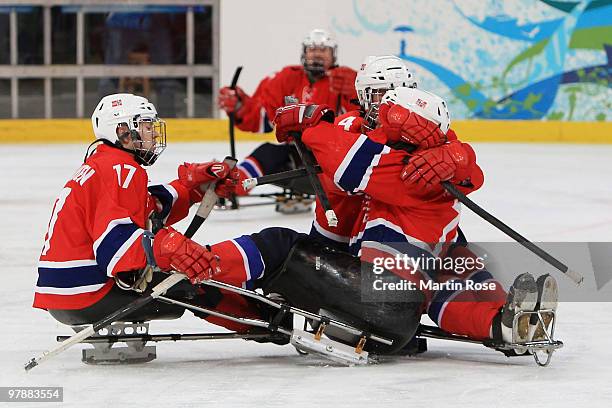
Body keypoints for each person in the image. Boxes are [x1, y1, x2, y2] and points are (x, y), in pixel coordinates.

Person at [34, 93, 260, 333]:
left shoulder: (103, 164)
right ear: (122, 131)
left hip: (65, 295)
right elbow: (116, 250)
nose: (153, 133)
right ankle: (261, 322)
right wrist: (166, 248)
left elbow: (148, 208)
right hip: (89, 294)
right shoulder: (121, 169)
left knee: (179, 270)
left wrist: (194, 189)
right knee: (190, 283)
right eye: (146, 125)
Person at [217, 29, 360, 210]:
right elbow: (262, 119)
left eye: (323, 50)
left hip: (332, 157)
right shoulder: (287, 78)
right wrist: (239, 107)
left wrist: (354, 92)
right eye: (312, 49)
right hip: (297, 153)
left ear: (333, 55)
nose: (317, 54)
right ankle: (229, 186)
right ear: (304, 53)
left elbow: (360, 123)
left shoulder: (345, 80)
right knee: (267, 153)